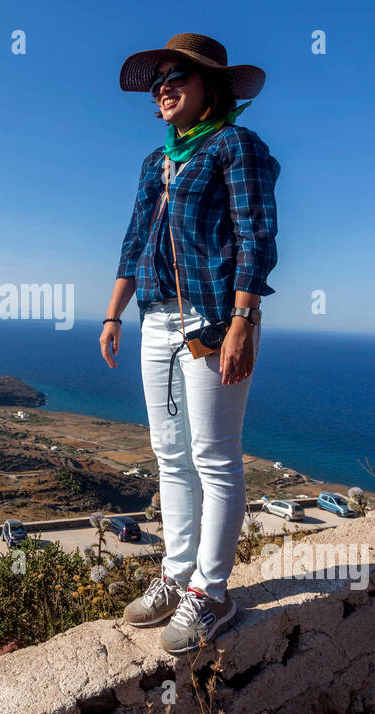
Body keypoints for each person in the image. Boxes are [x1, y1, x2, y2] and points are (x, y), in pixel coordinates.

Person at [100, 33, 279, 655]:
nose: (163, 88)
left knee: (214, 457)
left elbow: (256, 237)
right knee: (168, 454)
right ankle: (177, 576)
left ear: (212, 87)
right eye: (158, 82)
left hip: (213, 318)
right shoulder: (157, 162)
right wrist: (113, 313)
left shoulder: (235, 146)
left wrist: (243, 322)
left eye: (178, 76)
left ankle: (213, 592)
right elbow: (134, 239)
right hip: (155, 318)